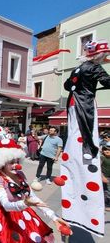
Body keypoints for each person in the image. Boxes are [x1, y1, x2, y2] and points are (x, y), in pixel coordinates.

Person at [0, 126, 70, 242]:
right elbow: (6, 205)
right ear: (2, 162)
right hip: (2, 217)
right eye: (11, 162)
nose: (16, 165)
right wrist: (24, 203)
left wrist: (54, 217)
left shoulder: (20, 174)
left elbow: (32, 197)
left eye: (17, 161)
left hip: (22, 214)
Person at [60, 40, 110, 236]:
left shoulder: (78, 68)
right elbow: (108, 81)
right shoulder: (95, 68)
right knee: (87, 136)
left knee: (75, 136)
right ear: (98, 56)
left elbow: (66, 85)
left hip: (73, 107)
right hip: (86, 107)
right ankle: (88, 154)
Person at [101, 144, 110, 212]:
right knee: (106, 192)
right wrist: (102, 176)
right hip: (105, 177)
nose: (107, 151)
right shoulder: (102, 158)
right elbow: (98, 168)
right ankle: (106, 205)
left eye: (108, 150)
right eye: (105, 150)